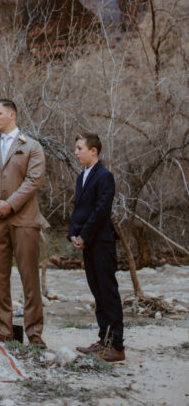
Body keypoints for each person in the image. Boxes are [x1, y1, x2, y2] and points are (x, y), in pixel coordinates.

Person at [0, 98, 46, 348]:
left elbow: (33, 180)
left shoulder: (32, 146)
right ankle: (3, 330)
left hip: (24, 219)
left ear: (12, 115)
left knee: (29, 277)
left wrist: (11, 204)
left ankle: (34, 332)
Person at [69, 133, 125, 362]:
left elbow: (101, 211)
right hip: (87, 242)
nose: (76, 152)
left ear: (94, 151)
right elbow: (78, 209)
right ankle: (104, 339)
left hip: (101, 242)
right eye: (76, 148)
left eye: (80, 148)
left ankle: (118, 346)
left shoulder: (105, 176)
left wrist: (85, 235)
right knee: (97, 291)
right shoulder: (82, 176)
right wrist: (73, 234)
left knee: (108, 291)